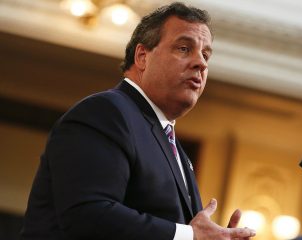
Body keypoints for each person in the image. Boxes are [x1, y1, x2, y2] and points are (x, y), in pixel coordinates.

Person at [20, 2, 256, 240]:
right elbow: (88, 215)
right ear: (142, 56)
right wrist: (189, 235)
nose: (201, 63)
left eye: (205, 55)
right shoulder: (106, 113)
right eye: (184, 48)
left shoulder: (174, 148)